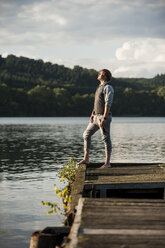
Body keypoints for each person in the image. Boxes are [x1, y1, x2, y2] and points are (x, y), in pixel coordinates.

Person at [77, 69, 114, 169]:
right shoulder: (99, 87)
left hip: (103, 117)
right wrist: (92, 114)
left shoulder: (108, 87)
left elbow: (108, 104)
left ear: (105, 76)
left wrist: (104, 118)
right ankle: (86, 159)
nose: (98, 74)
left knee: (106, 139)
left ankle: (107, 163)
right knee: (86, 134)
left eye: (100, 74)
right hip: (96, 117)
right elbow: (97, 102)